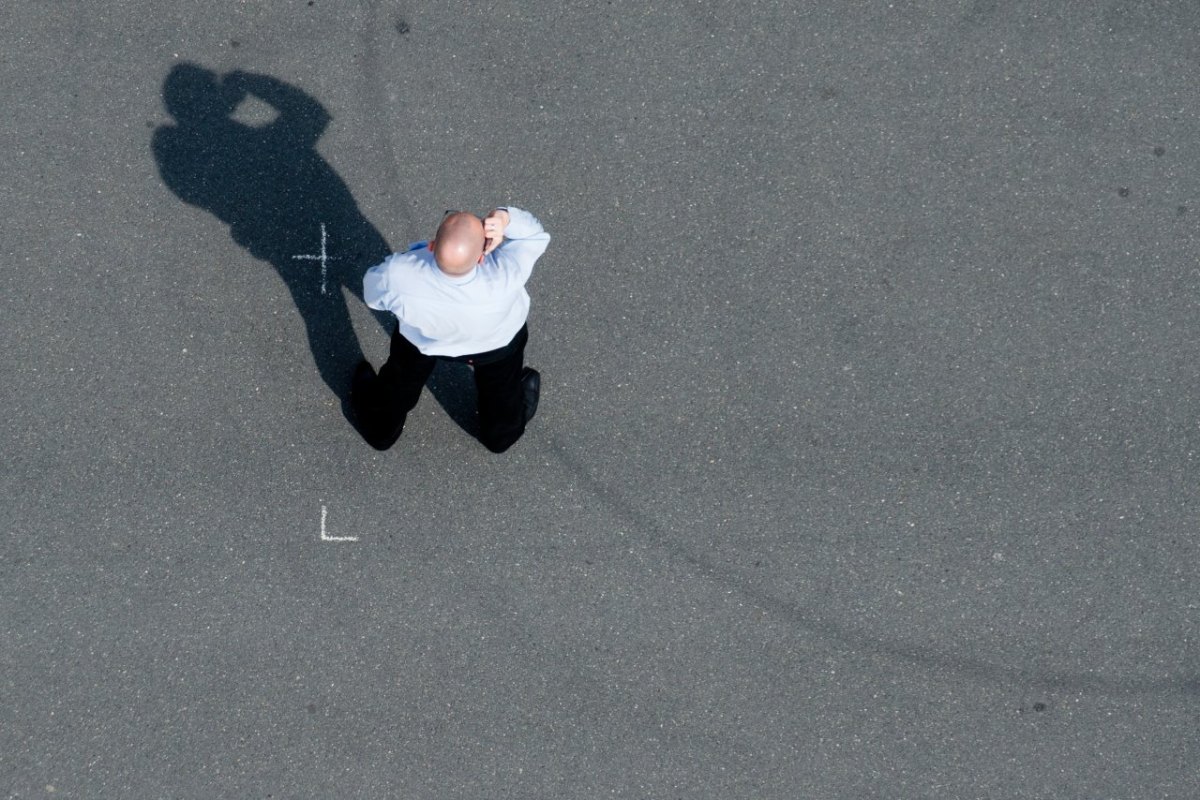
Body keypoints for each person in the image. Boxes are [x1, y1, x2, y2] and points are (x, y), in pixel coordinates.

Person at [354, 206, 550, 452]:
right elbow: (534, 236)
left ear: (432, 245)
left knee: (398, 382)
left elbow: (373, 296)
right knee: (502, 392)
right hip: (495, 343)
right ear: (481, 257)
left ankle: (380, 430)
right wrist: (504, 218)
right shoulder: (505, 273)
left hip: (422, 342)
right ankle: (500, 437)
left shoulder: (399, 273)